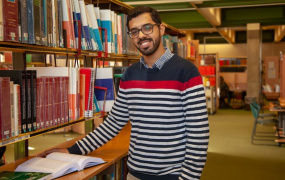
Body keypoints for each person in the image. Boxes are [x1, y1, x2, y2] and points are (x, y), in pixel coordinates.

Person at [39, 6, 209, 180]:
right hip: (134, 175)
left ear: (161, 29)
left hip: (172, 176)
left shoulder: (187, 72)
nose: (141, 35)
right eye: (134, 32)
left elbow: (198, 134)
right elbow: (113, 123)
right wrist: (72, 150)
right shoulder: (130, 74)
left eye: (147, 28)